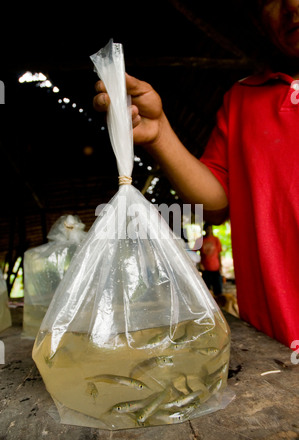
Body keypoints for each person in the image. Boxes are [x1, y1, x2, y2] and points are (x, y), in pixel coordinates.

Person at [93, 0, 299, 348]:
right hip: (277, 345)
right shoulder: (243, 99)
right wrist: (160, 135)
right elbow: (216, 202)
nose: (292, 4)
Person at [195, 223, 223, 296]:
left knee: (218, 290)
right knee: (207, 291)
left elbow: (219, 254)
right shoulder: (200, 240)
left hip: (215, 268)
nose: (208, 230)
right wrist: (199, 264)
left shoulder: (216, 240)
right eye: (206, 228)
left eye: (209, 229)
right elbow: (193, 253)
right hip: (205, 269)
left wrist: (220, 265)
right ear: (204, 229)